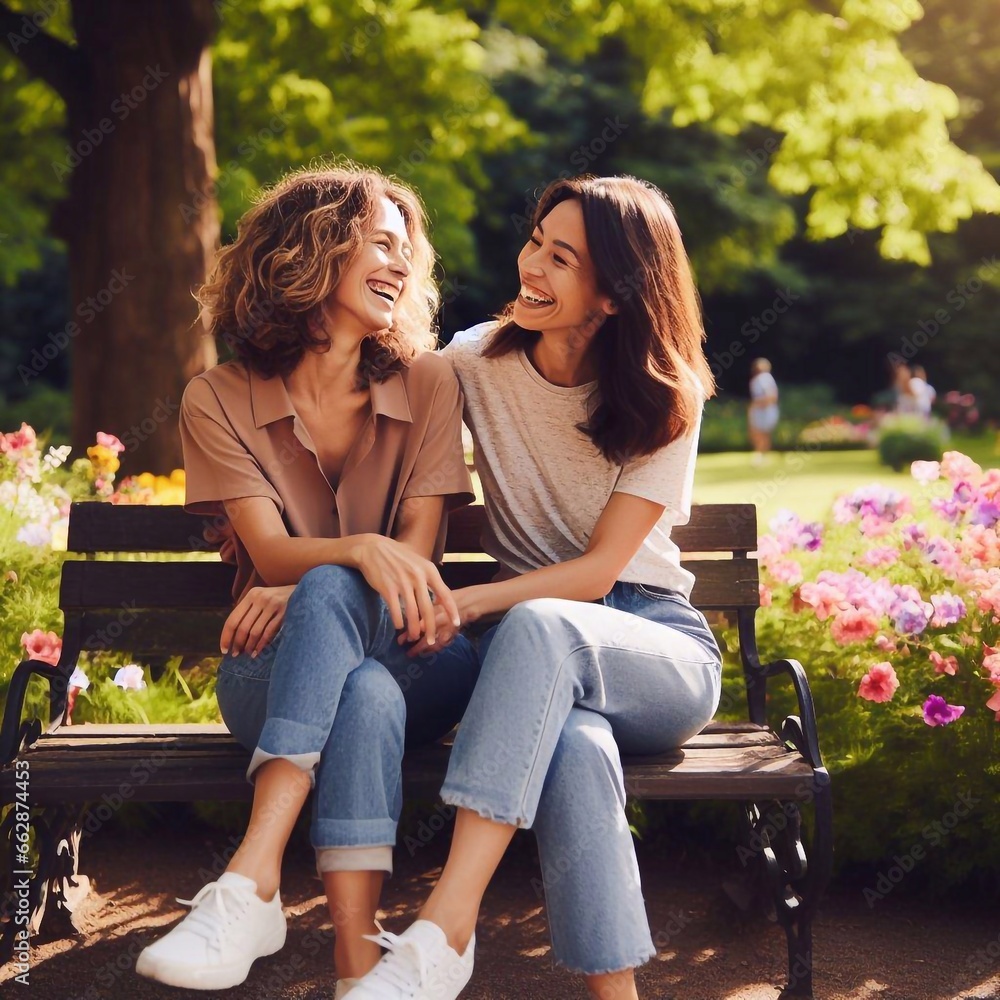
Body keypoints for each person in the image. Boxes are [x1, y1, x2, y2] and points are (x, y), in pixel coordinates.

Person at [349, 174, 724, 1000]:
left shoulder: (668, 396)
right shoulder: (474, 360)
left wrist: (467, 604)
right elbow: (362, 401)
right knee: (577, 746)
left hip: (653, 647)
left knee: (542, 625)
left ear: (616, 294)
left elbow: (600, 571)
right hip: (536, 657)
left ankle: (447, 924)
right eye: (535, 242)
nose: (531, 266)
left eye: (562, 259)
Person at [135, 166, 480, 998]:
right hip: (272, 673)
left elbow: (413, 564)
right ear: (312, 250)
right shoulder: (217, 397)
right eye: (381, 244)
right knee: (362, 690)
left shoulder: (429, 381)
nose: (402, 264)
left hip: (421, 655)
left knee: (341, 613)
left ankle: (252, 879)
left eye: (408, 250)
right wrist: (352, 557)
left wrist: (313, 581)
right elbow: (269, 545)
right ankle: (357, 971)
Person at [747, 357, 779, 464]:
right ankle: (761, 455)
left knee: (761, 434)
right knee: (761, 434)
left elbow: (771, 397)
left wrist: (755, 404)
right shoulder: (763, 379)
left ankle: (760, 455)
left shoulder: (763, 379)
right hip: (762, 411)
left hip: (764, 411)